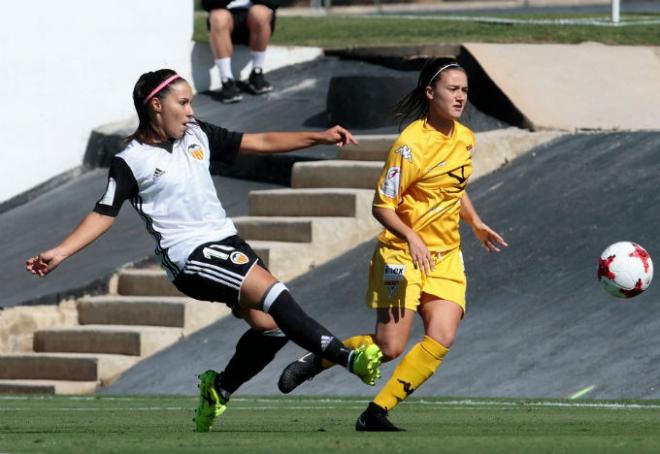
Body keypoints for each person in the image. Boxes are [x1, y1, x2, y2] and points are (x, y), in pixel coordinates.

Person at [25, 69, 382, 432]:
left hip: (226, 241)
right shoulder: (131, 160)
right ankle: (347, 357)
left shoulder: (197, 133)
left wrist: (318, 137)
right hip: (191, 257)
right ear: (155, 105)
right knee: (276, 294)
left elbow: (258, 141)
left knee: (271, 327)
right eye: (183, 102)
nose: (191, 110)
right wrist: (62, 251)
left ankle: (220, 389)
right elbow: (104, 212)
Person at [277, 58, 508, 431]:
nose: (460, 96)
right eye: (453, 89)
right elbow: (381, 206)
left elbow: (454, 188)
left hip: (445, 256)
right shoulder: (409, 146)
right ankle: (319, 358)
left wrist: (476, 222)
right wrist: (412, 236)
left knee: (442, 335)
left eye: (464, 90)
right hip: (400, 255)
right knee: (389, 347)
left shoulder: (465, 137)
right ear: (430, 93)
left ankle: (375, 413)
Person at [202, 0, 277, 103]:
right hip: (226, 18)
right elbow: (206, 4)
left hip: (255, 20)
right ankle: (226, 80)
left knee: (260, 13)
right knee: (218, 17)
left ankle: (257, 72)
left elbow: (275, 2)